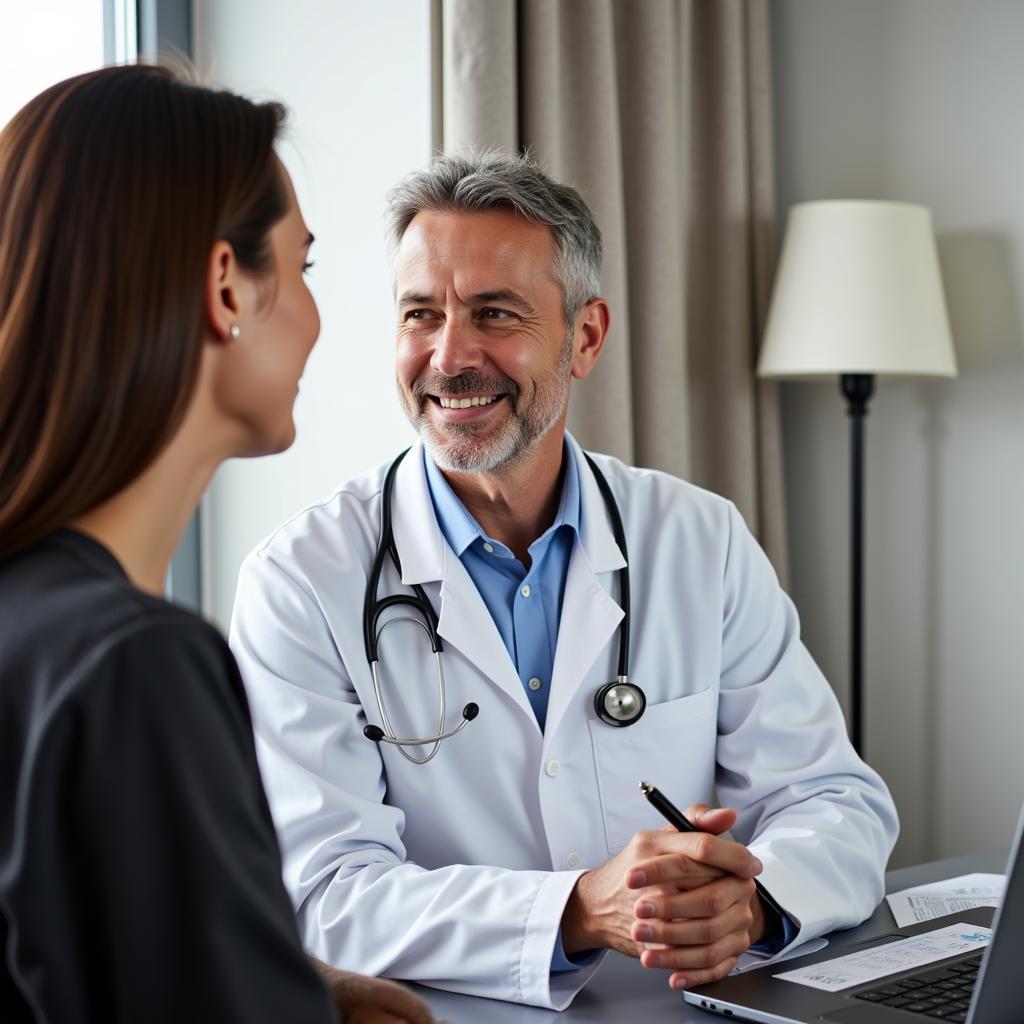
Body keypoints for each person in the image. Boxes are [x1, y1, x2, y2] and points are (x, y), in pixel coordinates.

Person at [229, 150, 900, 1010]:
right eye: (419, 314)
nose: (448, 356)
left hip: (688, 1002)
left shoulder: (699, 538)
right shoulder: (303, 580)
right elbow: (323, 892)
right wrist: (576, 910)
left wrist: (756, 901)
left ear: (585, 337)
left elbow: (835, 799)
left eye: (494, 313)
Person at [0, 64, 433, 1024]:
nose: (321, 320)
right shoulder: (135, 666)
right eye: (304, 267)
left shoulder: (31, 627)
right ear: (225, 286)